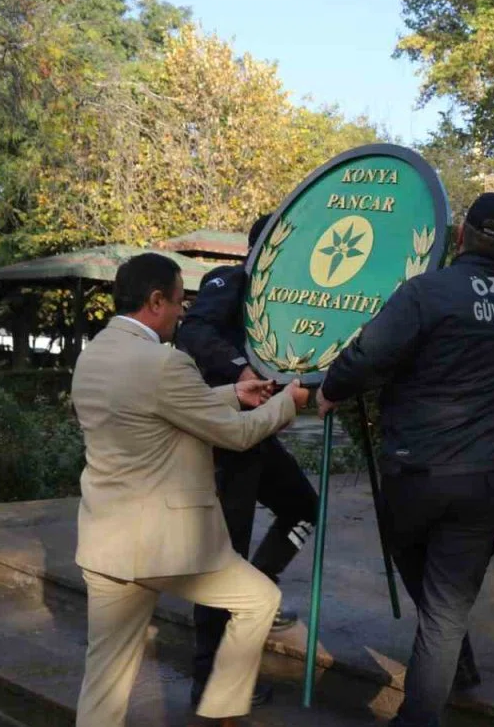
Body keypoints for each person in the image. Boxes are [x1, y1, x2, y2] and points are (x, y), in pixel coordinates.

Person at [70, 253, 311, 727]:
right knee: (260, 600)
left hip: (105, 547)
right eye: (180, 302)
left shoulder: (93, 354)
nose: (183, 312)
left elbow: (147, 407)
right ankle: (221, 710)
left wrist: (230, 393)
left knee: (103, 685)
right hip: (164, 548)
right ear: (155, 300)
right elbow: (236, 436)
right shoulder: (166, 362)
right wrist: (288, 402)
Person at [316, 192, 494, 727]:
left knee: (435, 602)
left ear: (460, 235)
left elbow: (369, 355)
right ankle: (459, 662)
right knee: (445, 601)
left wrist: (330, 389)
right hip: (486, 479)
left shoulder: (428, 293)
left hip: (421, 474)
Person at [174, 213, 321, 707]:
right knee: (222, 556)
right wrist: (241, 372)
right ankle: (209, 679)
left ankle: (258, 590)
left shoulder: (292, 300)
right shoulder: (231, 281)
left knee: (304, 506)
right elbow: (193, 333)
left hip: (256, 436)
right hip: (222, 439)